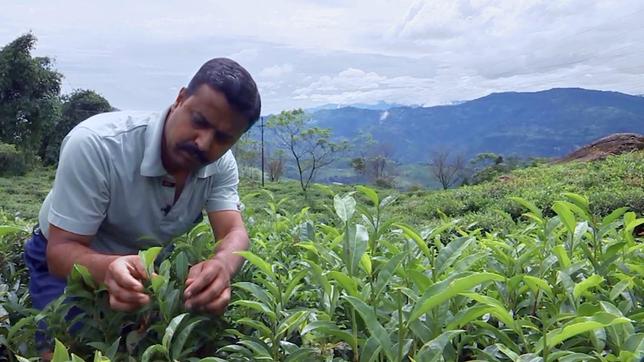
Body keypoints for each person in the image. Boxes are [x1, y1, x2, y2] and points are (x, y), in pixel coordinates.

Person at [24, 58, 261, 329]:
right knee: (63, 345)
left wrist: (222, 266)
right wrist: (107, 270)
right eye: (199, 121)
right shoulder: (97, 145)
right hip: (68, 258)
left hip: (143, 268)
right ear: (180, 98)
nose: (203, 142)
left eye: (223, 138)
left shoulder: (220, 164)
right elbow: (60, 252)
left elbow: (234, 232)